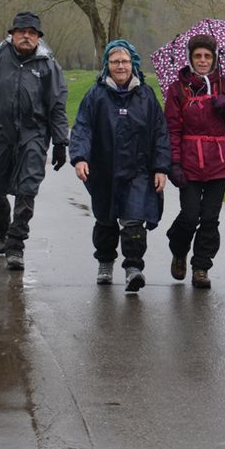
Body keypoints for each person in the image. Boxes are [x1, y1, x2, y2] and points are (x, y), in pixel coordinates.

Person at [0, 11, 69, 271]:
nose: (26, 36)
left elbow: (57, 104)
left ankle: (16, 245)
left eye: (32, 33)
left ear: (38, 38)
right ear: (12, 34)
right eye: (21, 32)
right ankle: (2, 230)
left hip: (33, 134)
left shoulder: (48, 65)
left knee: (27, 188)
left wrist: (60, 141)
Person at [69, 39, 170, 292]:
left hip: (139, 171)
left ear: (133, 63)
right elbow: (82, 128)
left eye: (125, 61)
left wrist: (161, 167)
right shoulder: (96, 95)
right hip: (103, 171)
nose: (120, 66)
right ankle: (105, 263)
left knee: (134, 220)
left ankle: (133, 268)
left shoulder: (146, 96)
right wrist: (80, 157)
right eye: (115, 61)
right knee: (105, 220)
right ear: (107, 65)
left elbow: (160, 133)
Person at [163, 34, 225, 289]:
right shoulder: (177, 89)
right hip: (189, 162)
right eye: (198, 56)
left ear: (214, 59)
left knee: (210, 218)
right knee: (190, 216)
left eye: (207, 56)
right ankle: (179, 250)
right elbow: (172, 129)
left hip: (218, 161)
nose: (202, 60)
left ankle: (201, 266)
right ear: (190, 58)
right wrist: (174, 164)